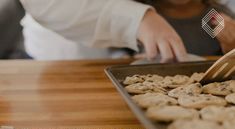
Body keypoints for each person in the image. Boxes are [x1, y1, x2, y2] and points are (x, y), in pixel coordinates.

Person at [19, 0, 234, 61]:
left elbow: (222, 49)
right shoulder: (150, 12)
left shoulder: (211, 15)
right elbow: (118, 48)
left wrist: (230, 45)